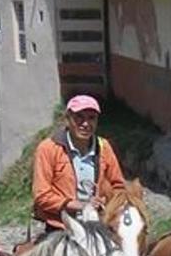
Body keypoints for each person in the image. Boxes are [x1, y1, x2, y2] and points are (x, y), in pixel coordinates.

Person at [32, 95, 126, 232]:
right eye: (79, 117)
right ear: (67, 119)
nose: (86, 124)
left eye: (91, 118)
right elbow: (42, 195)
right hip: (61, 226)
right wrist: (78, 205)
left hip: (99, 224)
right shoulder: (48, 149)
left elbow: (118, 186)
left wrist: (106, 201)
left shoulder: (104, 147)